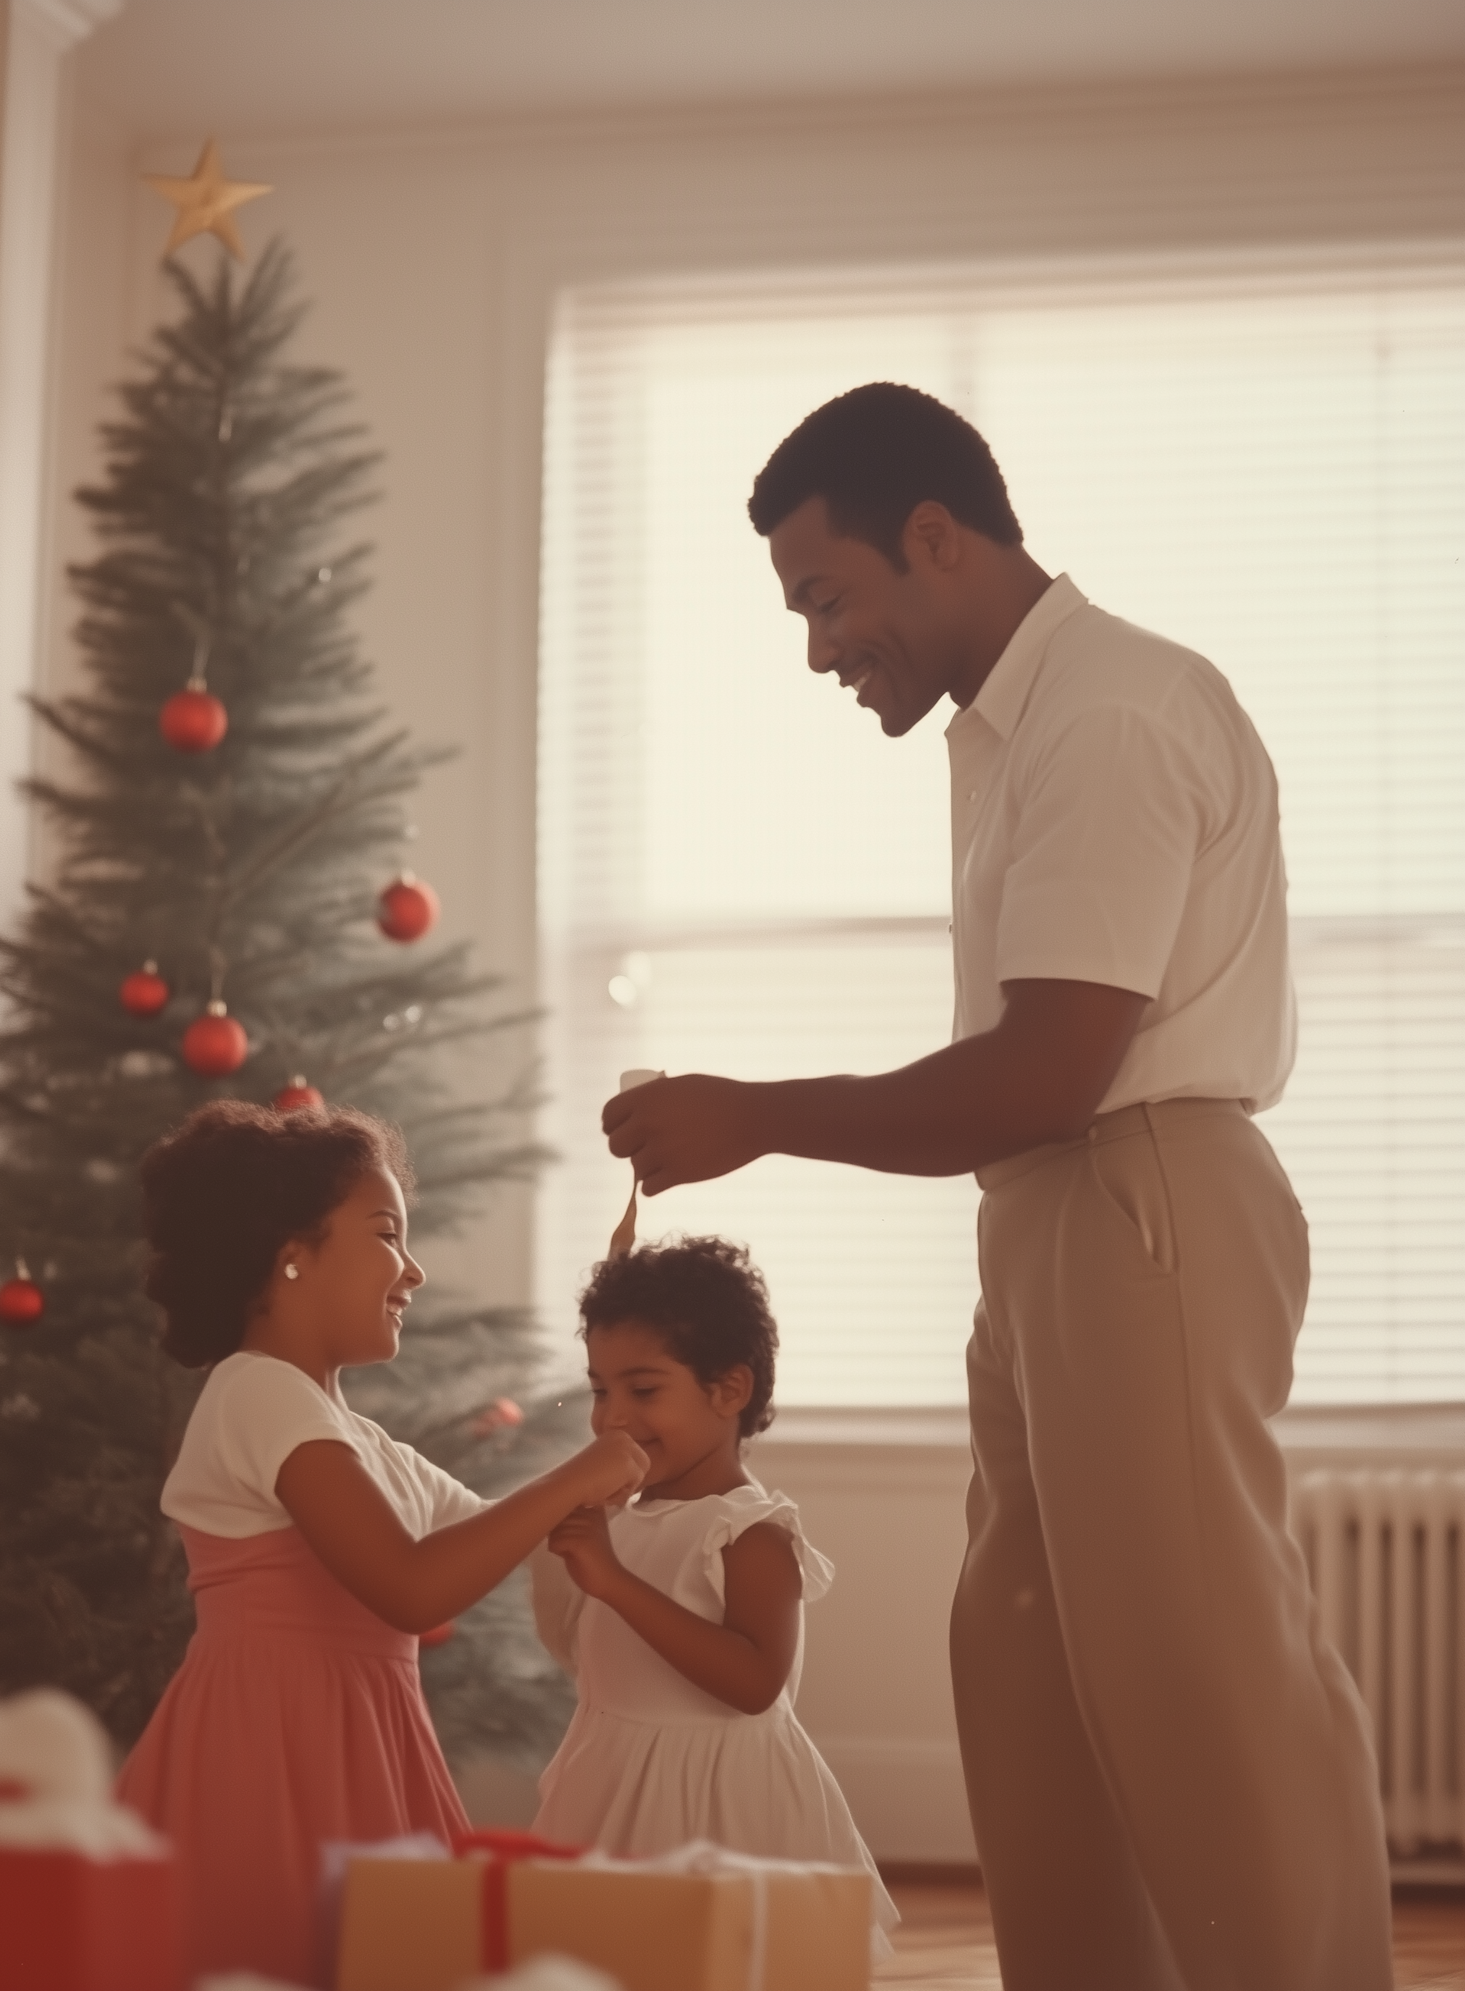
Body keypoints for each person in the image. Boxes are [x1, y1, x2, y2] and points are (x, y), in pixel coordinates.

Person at [600, 384, 1393, 1991]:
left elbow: (1050, 1070)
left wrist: (752, 1112)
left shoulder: (1109, 713)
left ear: (938, 539)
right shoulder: (1018, 731)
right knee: (1032, 1666)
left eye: (829, 596)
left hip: (1132, 1195)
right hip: (1054, 1215)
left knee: (1201, 1681)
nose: (821, 646)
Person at [117, 1099, 646, 1988]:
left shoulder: (359, 1439)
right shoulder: (257, 1392)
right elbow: (409, 1587)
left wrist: (639, 1444)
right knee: (286, 1950)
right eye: (387, 1235)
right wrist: (575, 1476)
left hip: (362, 1736)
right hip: (271, 1749)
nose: (415, 1270)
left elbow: (508, 1532)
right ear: (291, 1253)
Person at [530, 1235, 897, 1946]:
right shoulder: (623, 1518)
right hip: (612, 1773)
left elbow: (756, 1681)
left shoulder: (750, 1531)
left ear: (729, 1389)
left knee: (715, 1958)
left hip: (716, 1802)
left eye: (643, 1389)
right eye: (601, 1389)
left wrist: (612, 1580)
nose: (612, 1417)